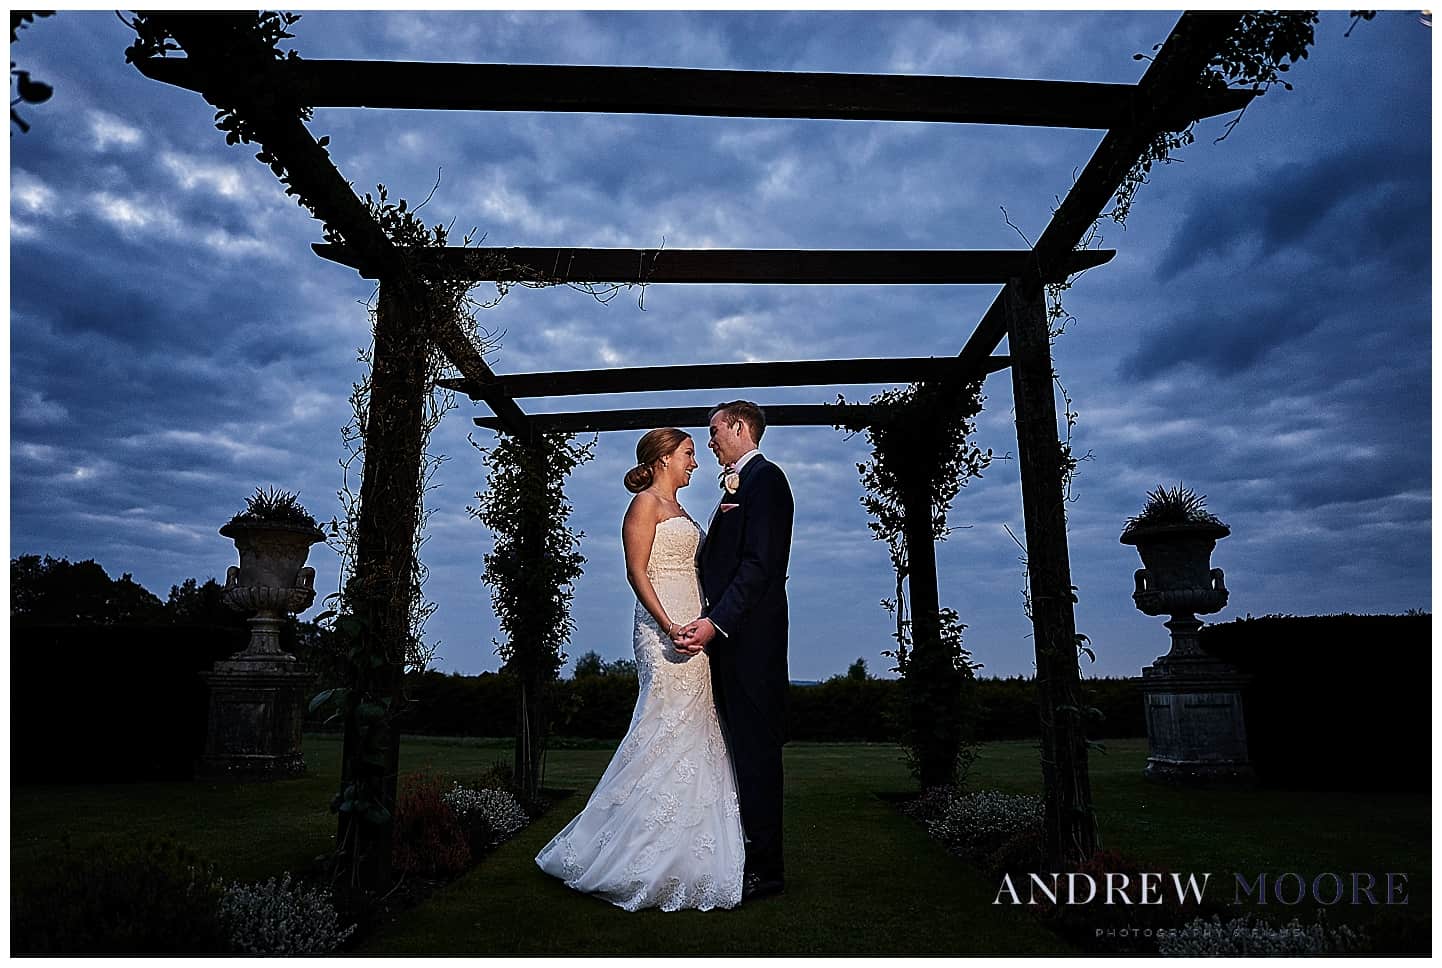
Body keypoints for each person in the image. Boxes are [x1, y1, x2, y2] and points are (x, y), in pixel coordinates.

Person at [535, 427, 746, 912]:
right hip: (661, 626)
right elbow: (637, 571)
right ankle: (625, 847)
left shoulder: (685, 511)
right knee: (660, 722)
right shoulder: (644, 506)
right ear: (664, 458)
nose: (695, 462)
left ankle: (690, 848)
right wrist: (669, 623)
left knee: (696, 727)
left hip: (694, 622)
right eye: (689, 454)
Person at [676, 401, 794, 901]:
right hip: (729, 644)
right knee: (735, 752)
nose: (709, 441)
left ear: (740, 427)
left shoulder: (766, 481)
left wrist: (715, 623)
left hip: (750, 645)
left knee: (755, 754)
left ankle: (766, 870)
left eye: (714, 430)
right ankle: (740, 853)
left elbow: (759, 565)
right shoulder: (740, 484)